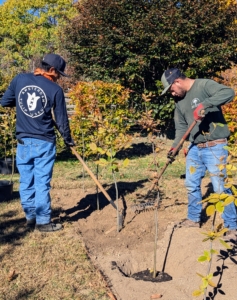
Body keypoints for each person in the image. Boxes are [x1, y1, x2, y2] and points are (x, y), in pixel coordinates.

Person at [0, 53, 75, 232]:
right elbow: (62, 121)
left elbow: (4, 102)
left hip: (23, 141)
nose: (58, 79)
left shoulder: (19, 79)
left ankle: (30, 218)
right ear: (51, 70)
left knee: (26, 181)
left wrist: (22, 104)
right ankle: (42, 222)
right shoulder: (55, 90)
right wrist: (69, 140)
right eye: (58, 74)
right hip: (44, 142)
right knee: (41, 182)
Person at [161, 68, 237, 241]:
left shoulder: (204, 85)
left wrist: (205, 105)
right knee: (191, 183)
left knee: (220, 187)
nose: (172, 94)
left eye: (171, 89)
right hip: (195, 147)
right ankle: (194, 218)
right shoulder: (179, 102)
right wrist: (175, 148)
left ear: (177, 82)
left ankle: (232, 227)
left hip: (215, 146)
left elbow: (229, 92)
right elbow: (181, 128)